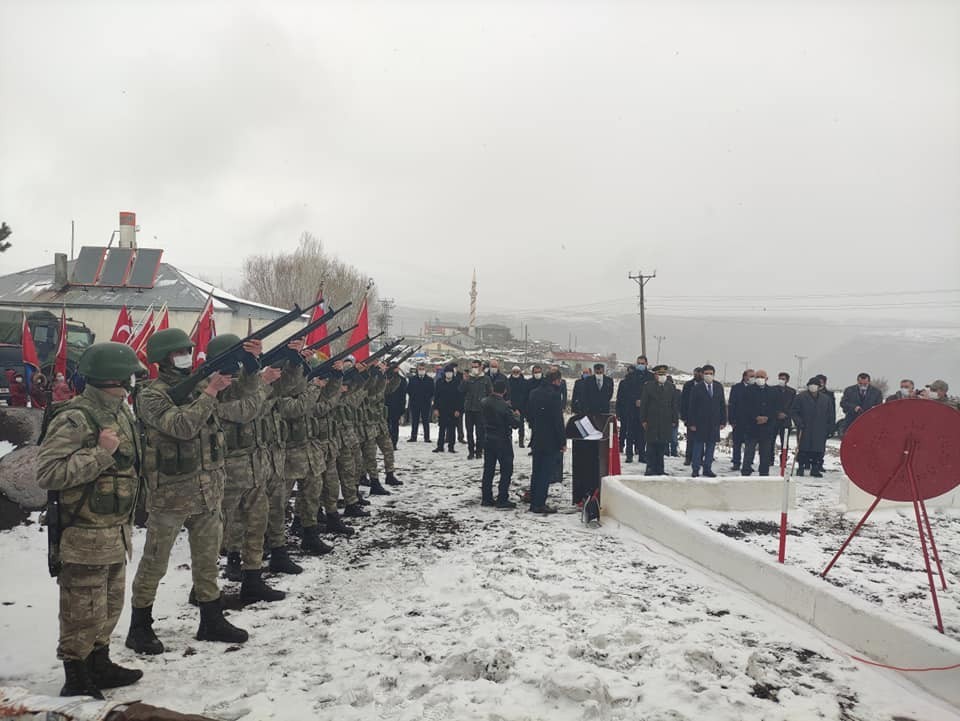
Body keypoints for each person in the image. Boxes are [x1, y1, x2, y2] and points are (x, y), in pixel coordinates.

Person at [127, 328, 249, 655]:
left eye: (188, 349)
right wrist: (209, 391)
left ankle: (211, 618)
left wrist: (246, 361)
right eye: (179, 351)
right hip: (170, 494)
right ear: (163, 358)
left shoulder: (197, 385)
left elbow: (242, 404)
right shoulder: (150, 395)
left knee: (207, 558)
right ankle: (139, 625)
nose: (186, 355)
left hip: (207, 490)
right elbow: (182, 427)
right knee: (155, 561)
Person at [36, 342, 146, 698]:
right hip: (83, 533)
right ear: (112, 377)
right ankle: (77, 674)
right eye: (129, 374)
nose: (133, 380)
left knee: (110, 605)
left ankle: (100, 662)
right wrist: (101, 454)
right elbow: (48, 473)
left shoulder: (121, 412)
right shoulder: (75, 417)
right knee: (82, 608)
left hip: (114, 530)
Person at [207, 333, 286, 602]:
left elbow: (256, 394)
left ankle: (253, 578)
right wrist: (260, 382)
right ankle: (203, 588)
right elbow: (246, 410)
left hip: (254, 467)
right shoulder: (208, 391)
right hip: (226, 469)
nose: (233, 374)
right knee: (217, 530)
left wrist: (254, 362)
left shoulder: (237, 384)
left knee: (257, 522)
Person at [526, 369, 565, 514]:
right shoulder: (554, 396)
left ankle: (533, 500)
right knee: (545, 472)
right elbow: (557, 421)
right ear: (556, 381)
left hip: (537, 436)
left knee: (536, 470)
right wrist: (562, 441)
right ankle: (539, 503)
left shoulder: (534, 393)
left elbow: (529, 414)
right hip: (551, 439)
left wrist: (535, 426)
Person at [480, 379, 521, 508]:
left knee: (488, 469)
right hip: (502, 440)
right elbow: (514, 424)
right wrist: (517, 416)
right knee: (506, 469)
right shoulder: (504, 406)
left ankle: (486, 498)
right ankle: (502, 498)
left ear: (492, 389)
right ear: (504, 391)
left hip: (488, 438)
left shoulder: (484, 402)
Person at [739, 369, 783, 476]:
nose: (760, 379)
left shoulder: (773, 392)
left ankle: (764, 472)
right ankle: (746, 470)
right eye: (757, 377)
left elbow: (776, 408)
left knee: (765, 452)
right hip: (752, 427)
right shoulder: (748, 390)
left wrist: (767, 417)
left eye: (762, 377)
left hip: (767, 428)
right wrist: (755, 417)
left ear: (766, 379)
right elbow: (744, 408)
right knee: (749, 451)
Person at [637, 365, 679, 476]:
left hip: (665, 421)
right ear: (655, 375)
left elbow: (674, 405)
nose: (662, 376)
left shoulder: (671, 387)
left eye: (663, 374)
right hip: (652, 420)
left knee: (661, 446)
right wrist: (643, 420)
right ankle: (650, 468)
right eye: (659, 374)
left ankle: (660, 469)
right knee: (651, 445)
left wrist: (675, 419)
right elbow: (644, 405)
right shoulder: (648, 386)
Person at [790, 377, 835, 477]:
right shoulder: (800, 397)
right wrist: (799, 422)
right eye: (811, 385)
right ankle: (801, 467)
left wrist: (830, 428)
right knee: (803, 449)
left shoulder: (825, 399)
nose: (813, 387)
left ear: (819, 387)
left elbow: (830, 414)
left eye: (815, 385)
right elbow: (794, 411)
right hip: (804, 428)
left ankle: (815, 469)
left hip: (820, 429)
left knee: (818, 450)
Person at [686, 364, 725, 477]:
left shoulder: (718, 387)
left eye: (711, 374)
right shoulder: (697, 388)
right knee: (698, 447)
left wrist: (723, 421)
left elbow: (722, 404)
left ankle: (707, 468)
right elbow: (692, 407)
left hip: (714, 422)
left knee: (711, 447)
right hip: (699, 423)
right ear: (703, 375)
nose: (709, 376)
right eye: (706, 374)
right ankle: (695, 469)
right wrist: (691, 423)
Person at [462, 359, 493, 460]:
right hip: (469, 409)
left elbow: (490, 393)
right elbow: (461, 390)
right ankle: (471, 451)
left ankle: (479, 451)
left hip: (480, 410)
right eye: (473, 367)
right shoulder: (469, 378)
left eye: (476, 367)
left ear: (480, 367)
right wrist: (464, 381)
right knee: (469, 432)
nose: (474, 369)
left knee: (480, 433)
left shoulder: (486, 379)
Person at [727, 369, 755, 469]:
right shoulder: (736, 388)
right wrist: (731, 420)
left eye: (753, 376)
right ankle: (736, 462)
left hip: (751, 422)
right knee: (737, 443)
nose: (752, 378)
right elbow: (732, 404)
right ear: (744, 377)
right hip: (738, 420)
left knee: (750, 444)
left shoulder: (755, 388)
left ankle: (748, 463)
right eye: (750, 376)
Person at [432, 365, 462, 453]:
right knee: (442, 429)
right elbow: (436, 396)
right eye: (447, 372)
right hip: (442, 409)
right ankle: (440, 446)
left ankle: (451, 447)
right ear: (444, 373)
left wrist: (458, 410)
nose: (449, 374)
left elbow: (460, 398)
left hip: (453, 409)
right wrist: (435, 408)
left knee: (452, 429)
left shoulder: (457, 382)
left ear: (453, 373)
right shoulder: (439, 382)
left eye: (450, 372)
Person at [771, 372, 796, 466]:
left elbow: (793, 406)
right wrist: (777, 413)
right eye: (780, 378)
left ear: (787, 380)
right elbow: (770, 404)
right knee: (771, 441)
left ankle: (783, 461)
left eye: (783, 379)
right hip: (774, 420)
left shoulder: (792, 392)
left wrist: (786, 414)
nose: (781, 380)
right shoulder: (773, 390)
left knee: (784, 442)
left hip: (786, 421)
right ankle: (770, 459)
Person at [680, 367, 703, 465]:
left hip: (703, 417)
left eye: (699, 373)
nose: (697, 375)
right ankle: (688, 457)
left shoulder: (705, 385)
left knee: (701, 439)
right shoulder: (688, 385)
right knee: (690, 439)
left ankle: (700, 458)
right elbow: (683, 401)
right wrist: (684, 416)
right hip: (690, 416)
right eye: (696, 373)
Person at [406, 361, 434, 442]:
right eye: (420, 369)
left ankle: (427, 437)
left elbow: (432, 391)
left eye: (423, 369)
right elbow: (408, 390)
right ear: (417, 370)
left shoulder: (430, 380)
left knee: (426, 421)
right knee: (415, 421)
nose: (421, 370)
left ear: (425, 370)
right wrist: (414, 396)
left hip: (426, 403)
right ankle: (413, 437)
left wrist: (427, 397)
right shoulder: (412, 379)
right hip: (415, 403)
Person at [384, 362, 408, 449]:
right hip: (385, 406)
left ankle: (394, 443)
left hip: (396, 406)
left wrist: (402, 408)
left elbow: (403, 395)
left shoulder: (402, 380)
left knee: (394, 426)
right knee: (385, 426)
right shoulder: (384, 379)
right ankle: (386, 443)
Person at [507, 366, 530, 447]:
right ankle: (508, 440)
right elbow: (507, 395)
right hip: (510, 407)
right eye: (514, 371)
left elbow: (526, 395)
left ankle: (521, 442)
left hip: (521, 407)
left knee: (521, 425)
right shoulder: (508, 382)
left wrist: (520, 408)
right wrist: (512, 408)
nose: (516, 373)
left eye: (517, 371)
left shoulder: (525, 382)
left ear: (520, 372)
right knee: (508, 425)